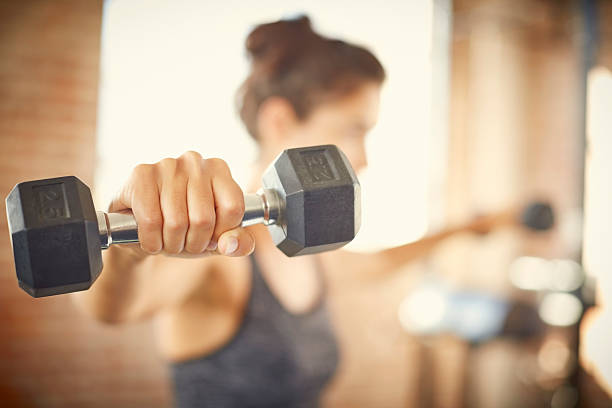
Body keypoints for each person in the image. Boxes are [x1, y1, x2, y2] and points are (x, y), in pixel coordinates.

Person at [73, 16, 518, 407]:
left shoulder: (304, 248)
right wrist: (129, 249)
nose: (364, 158)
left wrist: (468, 229)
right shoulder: (220, 253)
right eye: (353, 129)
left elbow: (380, 263)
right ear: (279, 122)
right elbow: (113, 308)